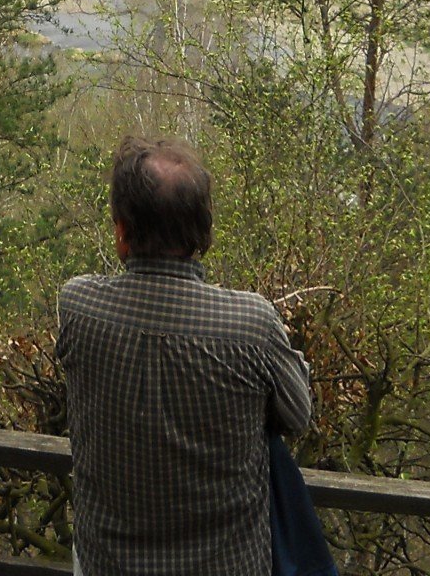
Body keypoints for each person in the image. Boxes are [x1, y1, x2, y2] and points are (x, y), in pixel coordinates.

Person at [58, 135, 313, 576]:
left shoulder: (78, 306)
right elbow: (298, 413)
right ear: (202, 228)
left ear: (121, 230)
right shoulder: (251, 324)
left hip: (108, 565)